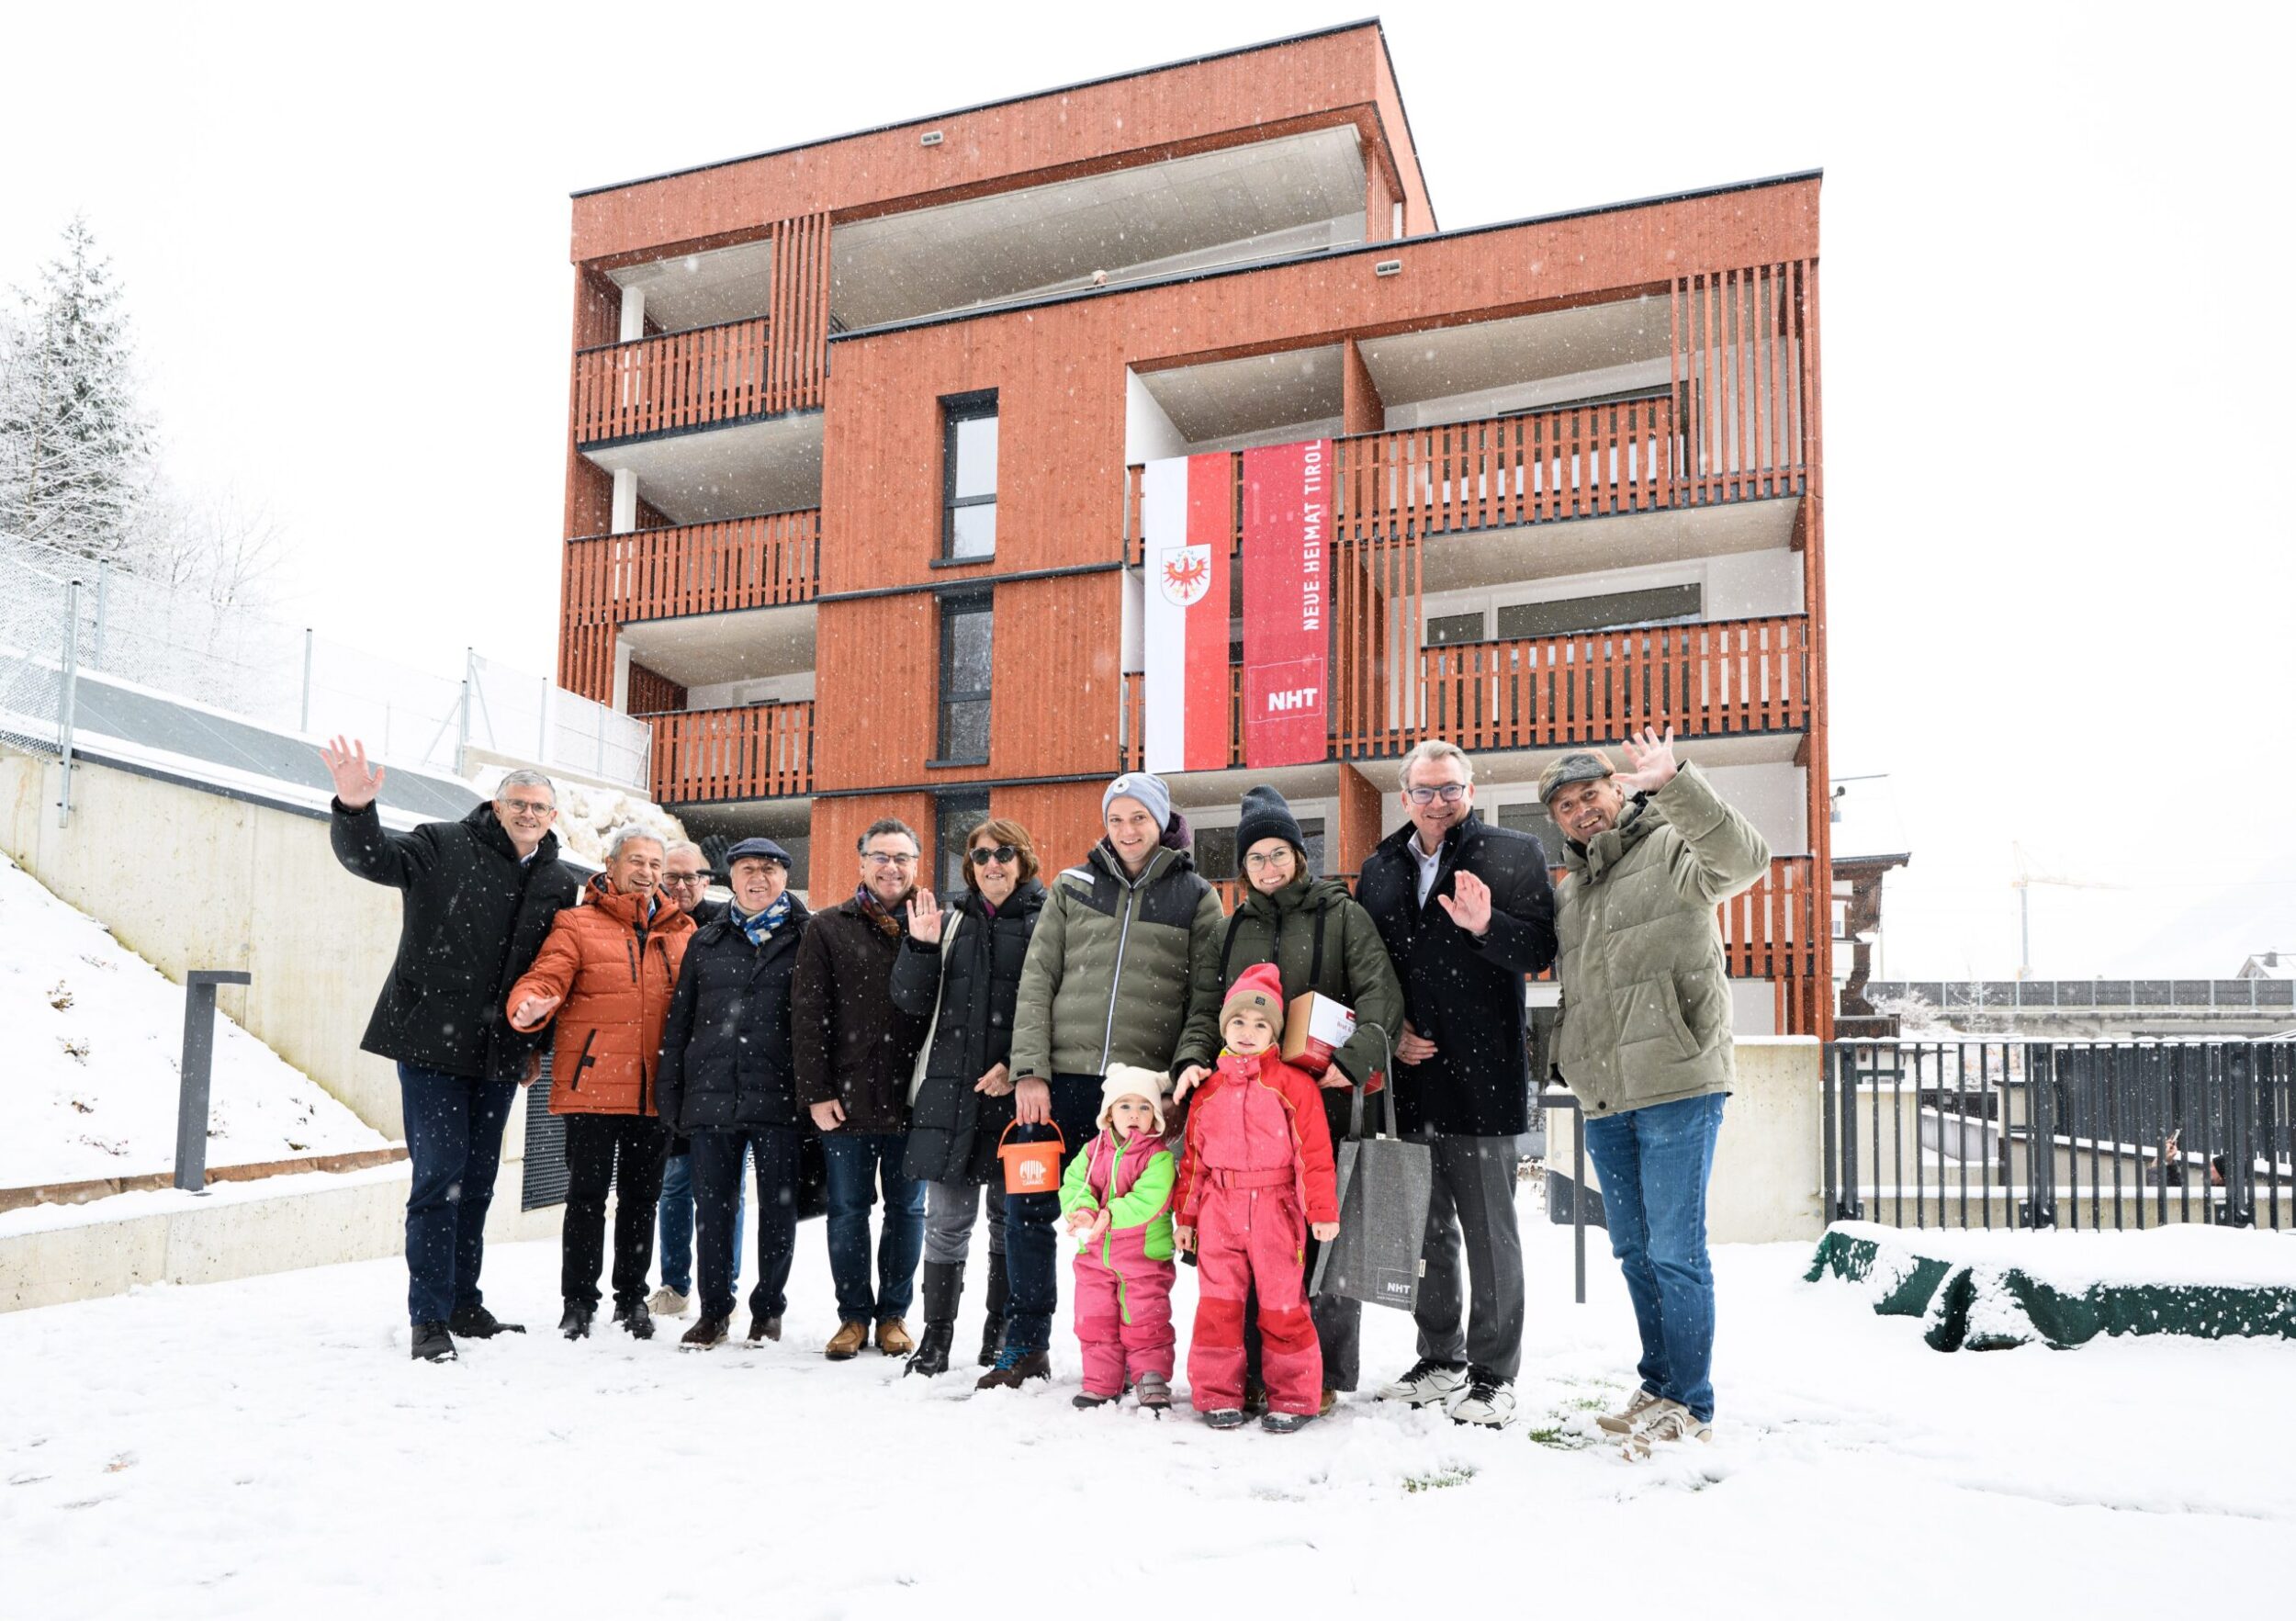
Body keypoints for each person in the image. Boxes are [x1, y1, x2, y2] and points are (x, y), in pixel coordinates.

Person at [1543, 726, 1767, 1458]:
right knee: (1635, 1250)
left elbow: (1744, 859)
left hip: (1676, 1081)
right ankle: (1659, 1381)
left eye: (1591, 794)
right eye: (1566, 805)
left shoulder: (1671, 845)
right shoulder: (1575, 895)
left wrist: (1676, 783)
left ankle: (1691, 1402)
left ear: (1618, 790)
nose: (1582, 811)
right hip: (1609, 1093)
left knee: (1675, 1249)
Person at [322, 740, 580, 1363]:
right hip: (432, 1044)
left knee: (480, 1182)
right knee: (439, 1178)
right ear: (496, 805)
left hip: (499, 1054)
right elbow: (372, 858)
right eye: (517, 802)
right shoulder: (441, 844)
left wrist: (535, 1045)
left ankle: (465, 1301)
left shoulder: (556, 879)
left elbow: (551, 967)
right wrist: (355, 809)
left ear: (552, 817)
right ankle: (429, 1316)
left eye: (539, 806)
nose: (527, 813)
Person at [1173, 784, 1403, 1415]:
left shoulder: (1341, 913)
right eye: (1256, 859)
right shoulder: (1234, 926)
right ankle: (1247, 1371)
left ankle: (1318, 1372)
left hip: (1320, 1101)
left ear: (1301, 856)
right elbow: (1205, 1006)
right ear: (1243, 868)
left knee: (1319, 1245)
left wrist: (1350, 1064)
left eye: (1279, 854)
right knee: (1245, 1251)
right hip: (1245, 1111)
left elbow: (1380, 997)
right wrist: (1195, 1058)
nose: (1268, 868)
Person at [995, 771, 1223, 1390]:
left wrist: (1178, 1079)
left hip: (1137, 1094)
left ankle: (1130, 1355)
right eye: (1117, 818)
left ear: (1161, 821)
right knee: (1030, 1209)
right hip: (1061, 1079)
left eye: (1139, 818)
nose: (1127, 830)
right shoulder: (1073, 886)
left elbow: (1206, 999)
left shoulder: (1195, 895)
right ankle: (1025, 1342)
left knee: (1131, 1225)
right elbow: (1037, 981)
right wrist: (1030, 1070)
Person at [1356, 738, 1556, 1427]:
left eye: (1451, 789)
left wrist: (1486, 924)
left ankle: (1494, 1372)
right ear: (1404, 795)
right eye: (1425, 790)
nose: (1438, 802)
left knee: (1489, 1230)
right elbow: (1368, 968)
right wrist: (1390, 1032)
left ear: (1470, 789)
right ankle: (1440, 1357)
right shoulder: (1379, 868)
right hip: (1409, 1076)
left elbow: (1538, 948)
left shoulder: (1512, 853)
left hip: (1483, 1075)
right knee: (1424, 1229)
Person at [506, 827, 694, 1340]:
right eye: (636, 861)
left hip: (656, 1091)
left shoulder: (683, 932)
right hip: (592, 1085)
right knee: (586, 1197)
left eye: (656, 864)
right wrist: (529, 1007)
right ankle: (578, 1302)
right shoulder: (575, 923)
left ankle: (631, 1299)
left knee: (642, 1199)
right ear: (609, 866)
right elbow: (547, 975)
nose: (648, 872)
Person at [888, 818, 1045, 1376]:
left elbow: (1060, 1006)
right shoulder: (950, 922)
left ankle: (998, 1332)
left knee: (1012, 1223)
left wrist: (1021, 1065)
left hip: (1019, 1100)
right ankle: (936, 1337)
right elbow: (908, 1001)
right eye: (980, 857)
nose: (992, 864)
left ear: (1023, 859)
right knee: (946, 1222)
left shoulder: (1049, 921)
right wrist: (920, 946)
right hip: (950, 1097)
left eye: (1003, 853)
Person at [656, 837, 811, 1350]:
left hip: (781, 1097)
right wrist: (671, 1094)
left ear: (785, 876)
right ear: (731, 877)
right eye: (748, 868)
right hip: (712, 1095)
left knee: (778, 1210)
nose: (758, 878)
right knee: (714, 1209)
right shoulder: (707, 939)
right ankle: (715, 1310)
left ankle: (768, 1310)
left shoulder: (807, 935)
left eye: (769, 868)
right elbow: (679, 1023)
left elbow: (822, 1023)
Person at [1172, 965, 1339, 1432]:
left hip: (1276, 1208)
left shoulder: (1293, 1086)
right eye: (1239, 1023)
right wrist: (1185, 1218)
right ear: (1225, 1028)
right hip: (1218, 1210)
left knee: (1283, 1305)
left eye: (1261, 1025)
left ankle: (1295, 1396)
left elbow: (1314, 1154)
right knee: (1218, 1306)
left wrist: (1321, 1210)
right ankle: (1217, 1394)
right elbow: (1193, 1162)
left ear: (1275, 1033)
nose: (1248, 1033)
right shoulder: (1207, 1090)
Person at [793, 818, 933, 1360]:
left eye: (901, 857)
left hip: (914, 1099)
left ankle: (893, 1316)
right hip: (845, 1100)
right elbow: (807, 1016)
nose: (891, 867)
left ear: (916, 865)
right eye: (880, 856)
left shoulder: (938, 924)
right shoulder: (828, 926)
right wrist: (816, 1091)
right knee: (849, 1210)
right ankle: (852, 1317)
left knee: (907, 1211)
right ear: (862, 863)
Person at [651, 839, 740, 1318]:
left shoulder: (726, 925)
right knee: (675, 1183)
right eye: (672, 877)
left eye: (692, 877)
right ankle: (675, 1282)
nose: (682, 886)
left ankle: (724, 1281)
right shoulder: (646, 922)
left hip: (718, 1076)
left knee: (726, 1191)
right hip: (668, 1072)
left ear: (708, 881)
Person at [1059, 1065, 1177, 1413]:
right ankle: (1101, 1381)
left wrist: (1108, 1215)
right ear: (1109, 1112)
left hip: (1143, 1259)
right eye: (1125, 1106)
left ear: (1154, 1115)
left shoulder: (1158, 1157)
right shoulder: (1092, 1150)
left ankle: (1150, 1378)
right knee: (1094, 1319)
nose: (1134, 1115)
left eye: (1144, 1107)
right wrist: (1082, 1210)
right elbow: (1075, 1184)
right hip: (1094, 1256)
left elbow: (1148, 1200)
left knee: (1146, 1319)